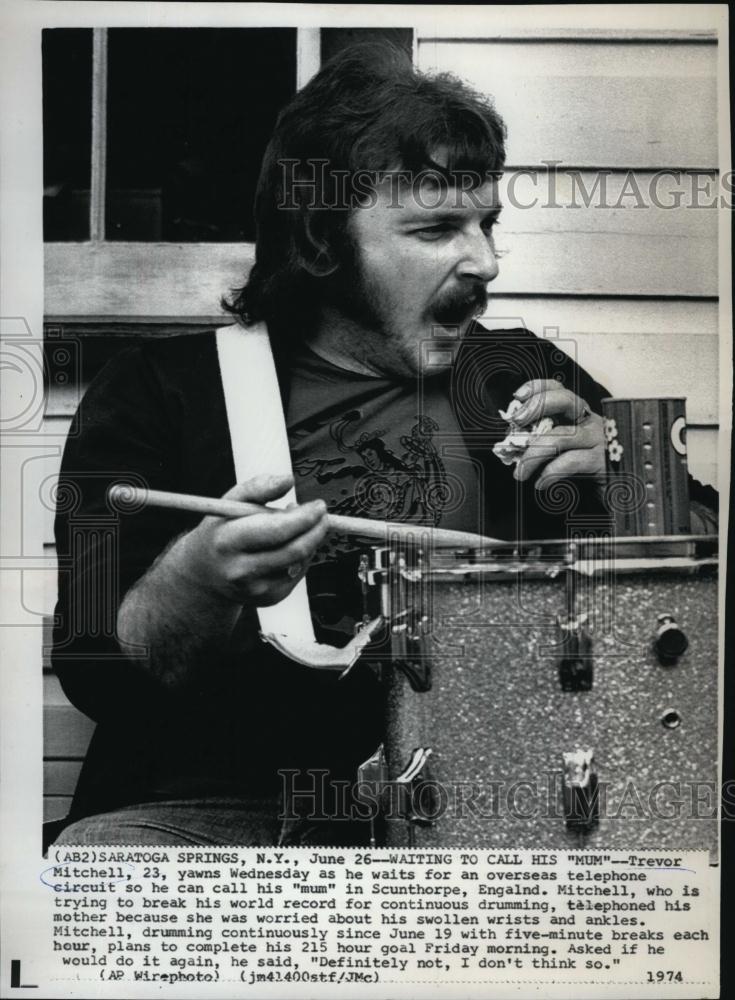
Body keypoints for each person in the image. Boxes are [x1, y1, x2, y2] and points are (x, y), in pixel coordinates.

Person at [51, 43, 717, 847]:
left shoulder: (517, 371)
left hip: (497, 799)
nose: (485, 263)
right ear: (323, 242)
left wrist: (630, 487)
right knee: (102, 862)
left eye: (486, 224)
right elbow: (93, 666)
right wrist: (194, 581)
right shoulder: (153, 389)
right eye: (437, 228)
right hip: (232, 808)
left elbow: (695, 600)